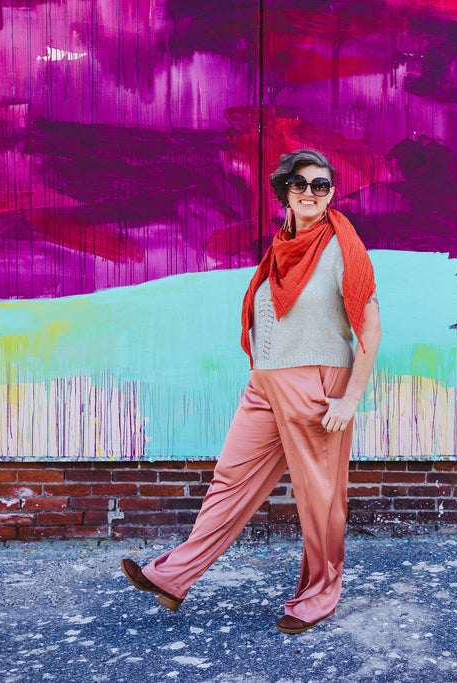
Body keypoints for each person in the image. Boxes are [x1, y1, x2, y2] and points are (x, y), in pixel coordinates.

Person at [121, 148, 381, 634]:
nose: (310, 192)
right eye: (300, 183)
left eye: (320, 185)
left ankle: (319, 594)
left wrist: (351, 399)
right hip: (265, 380)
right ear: (284, 190)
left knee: (319, 497)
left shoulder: (342, 245)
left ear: (331, 193)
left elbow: (369, 322)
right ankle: (173, 577)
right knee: (230, 478)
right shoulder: (281, 248)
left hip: (317, 383)